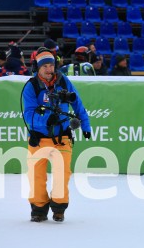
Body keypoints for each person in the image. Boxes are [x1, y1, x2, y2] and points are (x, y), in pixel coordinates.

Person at [21, 48, 92, 222]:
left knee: (62, 174)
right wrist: (47, 120)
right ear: (38, 68)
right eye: (44, 66)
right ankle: (38, 209)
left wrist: (86, 125)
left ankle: (59, 208)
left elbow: (78, 104)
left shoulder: (63, 81)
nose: (48, 69)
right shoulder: (31, 86)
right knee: (36, 176)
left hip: (62, 138)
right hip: (38, 139)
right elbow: (28, 114)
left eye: (51, 65)